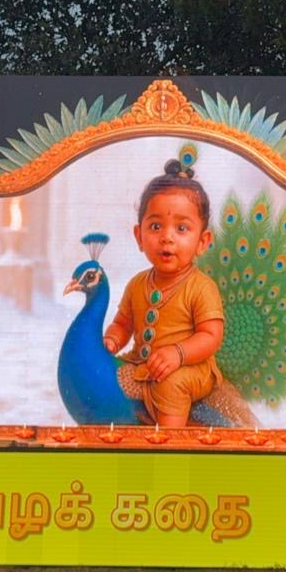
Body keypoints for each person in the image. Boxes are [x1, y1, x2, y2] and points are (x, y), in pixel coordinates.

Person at [102, 159, 224, 427]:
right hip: (143, 361)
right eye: (155, 227)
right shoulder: (137, 284)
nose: (167, 237)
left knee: (170, 384)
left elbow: (211, 336)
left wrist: (178, 354)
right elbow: (124, 322)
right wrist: (113, 339)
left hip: (191, 367)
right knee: (106, 374)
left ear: (203, 242)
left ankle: (169, 444)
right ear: (139, 236)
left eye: (181, 229)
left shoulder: (201, 287)